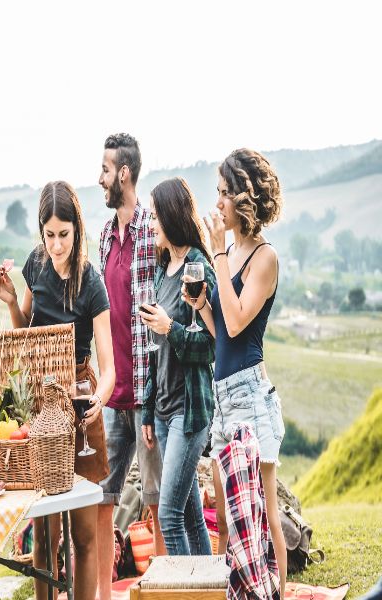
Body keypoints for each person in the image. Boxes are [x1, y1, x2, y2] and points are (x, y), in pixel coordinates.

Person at [0, 181, 115, 600]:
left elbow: (108, 365)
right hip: (39, 405)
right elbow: (24, 335)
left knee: (82, 535)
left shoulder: (91, 282)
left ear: (77, 229)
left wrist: (98, 400)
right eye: (50, 235)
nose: (57, 245)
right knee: (44, 537)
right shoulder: (36, 265)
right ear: (41, 232)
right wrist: (11, 301)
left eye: (65, 234)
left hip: (79, 396)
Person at [185, 148, 286, 589]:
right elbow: (223, 326)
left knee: (263, 514)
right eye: (218, 192)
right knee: (227, 519)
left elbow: (242, 318)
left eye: (225, 193)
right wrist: (202, 304)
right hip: (224, 393)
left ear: (246, 198)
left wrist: (218, 255)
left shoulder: (264, 257)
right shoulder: (232, 251)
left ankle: (276, 592)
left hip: (249, 392)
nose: (218, 202)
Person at [97, 133, 166, 593]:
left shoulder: (150, 230)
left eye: (104, 169)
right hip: (110, 393)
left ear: (124, 173)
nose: (99, 177)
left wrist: (151, 401)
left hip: (145, 396)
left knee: (158, 500)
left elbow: (158, 325)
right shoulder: (104, 236)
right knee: (103, 498)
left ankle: (164, 587)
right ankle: (102, 588)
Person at [139, 178, 215, 556]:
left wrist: (172, 328)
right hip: (166, 412)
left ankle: (189, 593)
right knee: (189, 517)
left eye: (155, 216)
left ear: (170, 216)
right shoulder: (163, 268)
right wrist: (149, 409)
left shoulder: (198, 268)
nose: (152, 224)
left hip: (190, 411)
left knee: (168, 517)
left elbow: (212, 344)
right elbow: (156, 349)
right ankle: (211, 592)